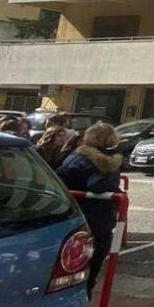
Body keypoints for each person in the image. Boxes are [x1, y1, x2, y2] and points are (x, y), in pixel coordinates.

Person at [56, 122, 123, 297]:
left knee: (67, 272)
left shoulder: (74, 157)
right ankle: (83, 304)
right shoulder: (111, 163)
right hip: (100, 221)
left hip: (73, 219)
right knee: (91, 270)